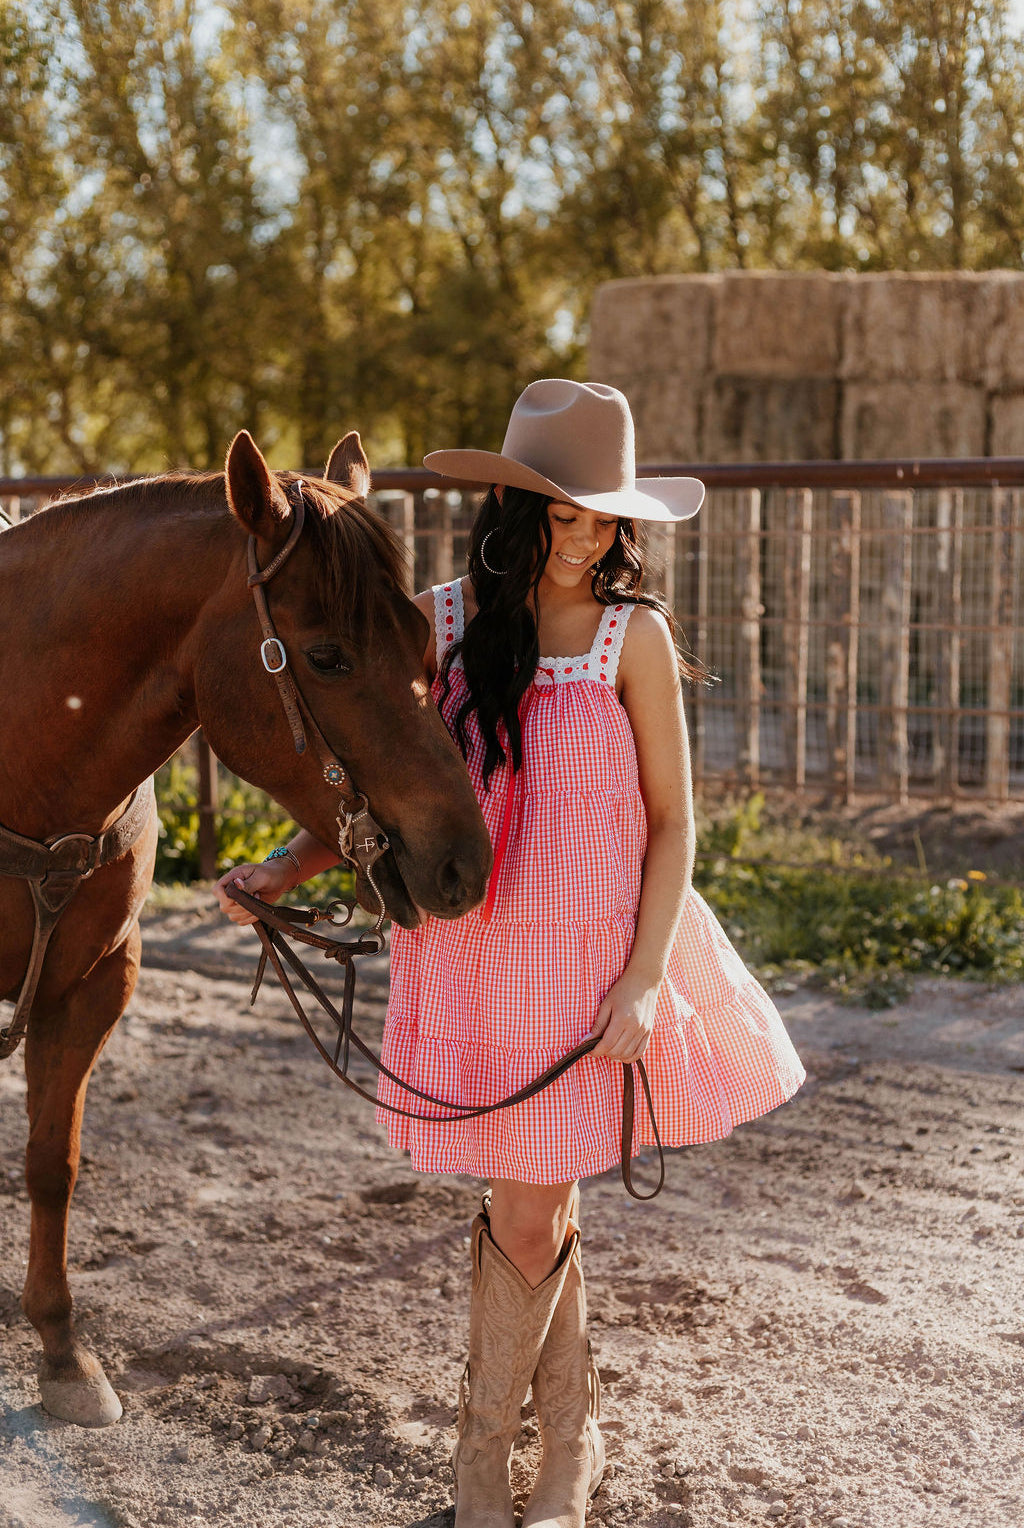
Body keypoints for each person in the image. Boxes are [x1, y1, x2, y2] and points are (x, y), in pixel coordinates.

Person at [216, 379, 805, 1528]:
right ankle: (569, 1450)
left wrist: (642, 980)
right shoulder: (436, 625)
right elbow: (381, 767)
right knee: (535, 1211)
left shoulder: (636, 637)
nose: (590, 539)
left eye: (606, 520)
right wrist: (278, 873)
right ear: (513, 512)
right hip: (477, 956)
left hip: (592, 965)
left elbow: (676, 821)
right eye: (566, 515)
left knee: (530, 1214)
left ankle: (488, 1468)